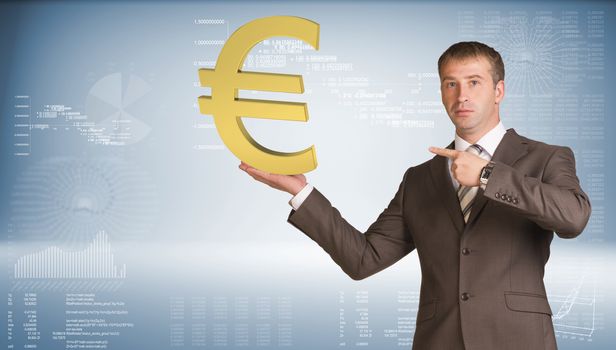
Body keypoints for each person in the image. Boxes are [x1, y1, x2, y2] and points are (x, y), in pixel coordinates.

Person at [239, 41, 591, 350]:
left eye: (474, 82)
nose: (461, 95)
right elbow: (364, 259)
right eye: (450, 84)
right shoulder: (420, 179)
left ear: (499, 91)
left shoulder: (546, 157)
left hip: (518, 340)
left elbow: (573, 218)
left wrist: (487, 175)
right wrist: (300, 192)